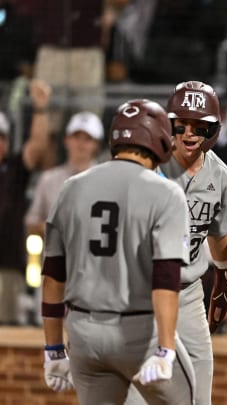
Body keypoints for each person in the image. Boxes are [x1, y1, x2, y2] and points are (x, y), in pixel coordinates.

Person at [40, 99, 195, 404]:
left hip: (84, 335)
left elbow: (53, 277)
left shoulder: (70, 187)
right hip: (140, 333)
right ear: (159, 139)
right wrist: (165, 348)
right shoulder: (165, 192)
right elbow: (166, 279)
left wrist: (53, 348)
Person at [125, 81, 227, 405]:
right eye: (181, 125)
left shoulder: (219, 173)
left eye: (199, 126)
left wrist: (224, 279)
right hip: (140, 295)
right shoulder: (147, 165)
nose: (189, 133)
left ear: (213, 129)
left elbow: (220, 233)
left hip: (187, 295)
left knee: (199, 396)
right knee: (134, 396)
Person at [0, 78, 52, 325]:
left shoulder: (14, 168)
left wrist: (40, 108)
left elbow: (38, 146)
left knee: (8, 334)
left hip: (8, 265)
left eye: (2, 137)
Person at [25, 110, 105, 237]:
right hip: (56, 253)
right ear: (66, 140)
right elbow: (31, 222)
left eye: (88, 139)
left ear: (97, 145)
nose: (81, 144)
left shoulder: (107, 181)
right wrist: (55, 229)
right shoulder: (48, 179)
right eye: (76, 137)